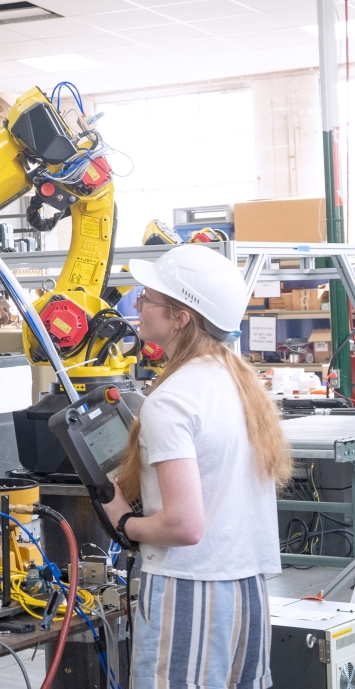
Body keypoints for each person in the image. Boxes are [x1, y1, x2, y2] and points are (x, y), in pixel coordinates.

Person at [102, 244, 290, 689]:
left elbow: (183, 526)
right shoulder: (239, 382)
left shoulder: (172, 399)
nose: (137, 304)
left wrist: (124, 521)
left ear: (181, 316)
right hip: (245, 588)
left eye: (149, 297)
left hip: (189, 588)